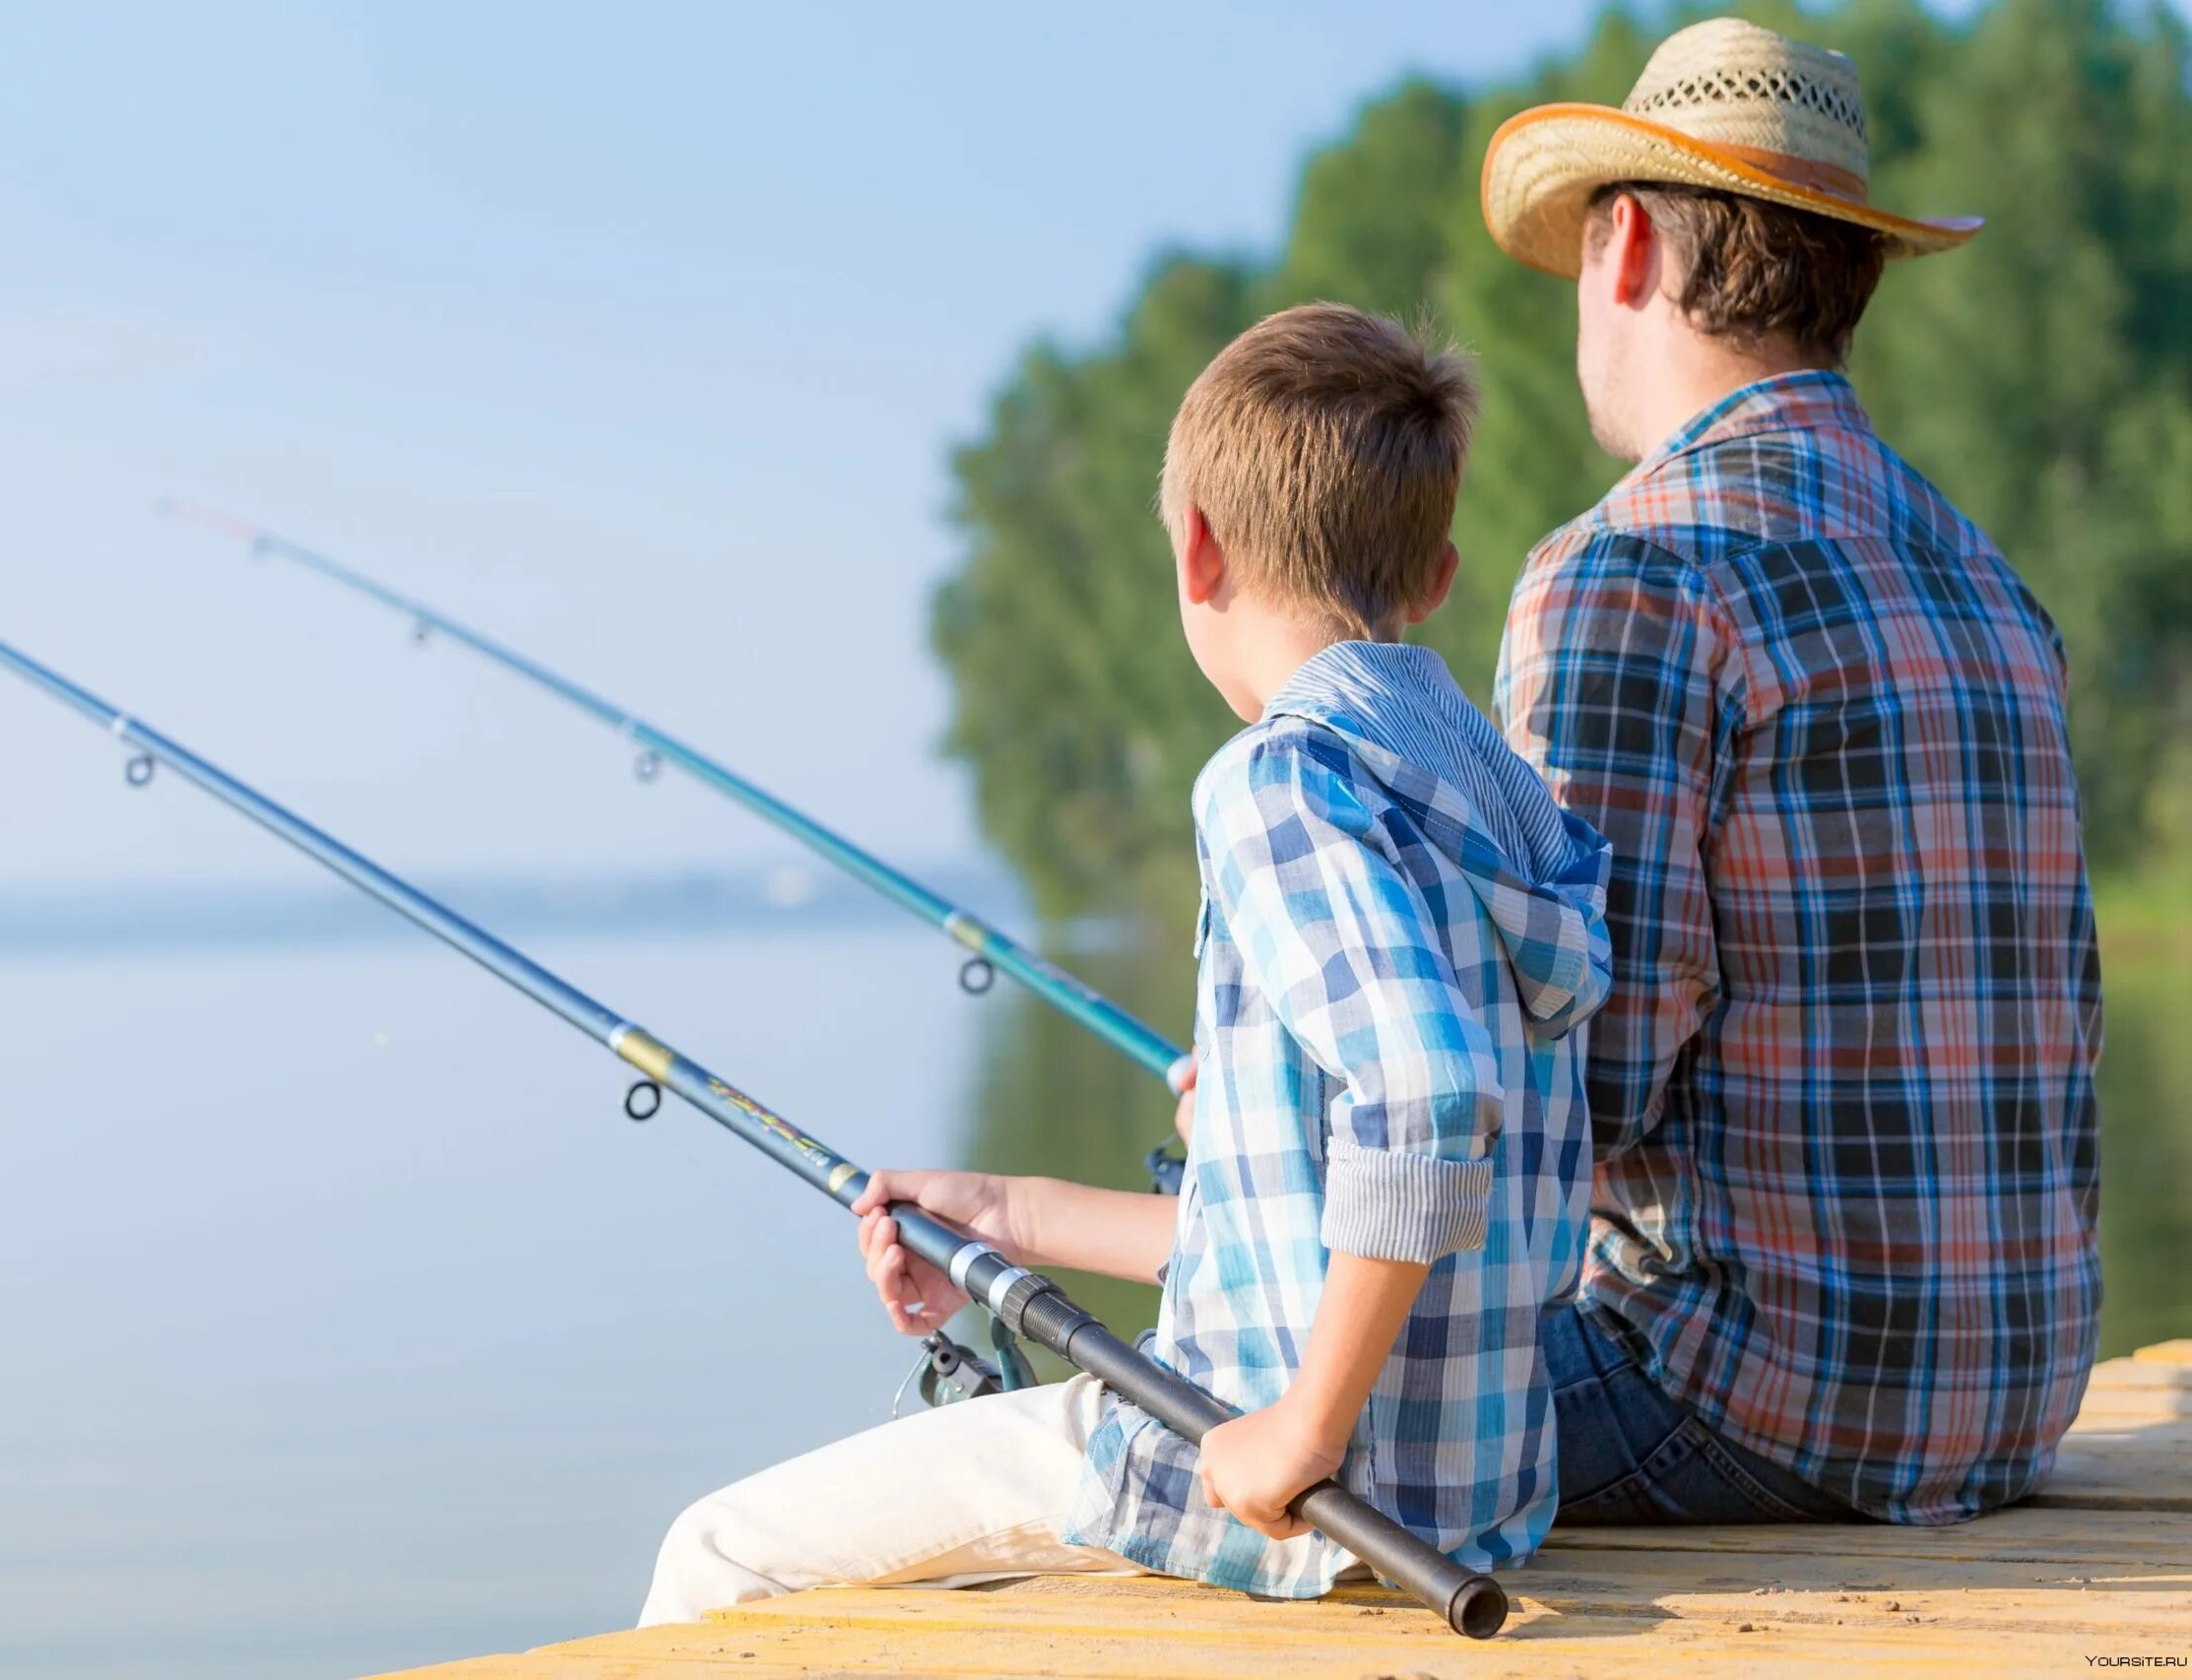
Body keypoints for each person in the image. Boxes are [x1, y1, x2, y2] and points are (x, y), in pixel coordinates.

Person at [637, 302, 1612, 1624]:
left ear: (1198, 548)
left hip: (1308, 1499)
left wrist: (1304, 1428)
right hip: (1481, 1493)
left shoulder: (1285, 782)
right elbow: (1383, 1196)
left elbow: (1431, 1097)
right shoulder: (1499, 799)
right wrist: (1012, 1214)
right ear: (1436, 577)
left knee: (718, 1551)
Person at [1481, 17, 2102, 1526]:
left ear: (1624, 243)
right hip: (2014, 1398)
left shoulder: (1632, 570)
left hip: (1737, 1392)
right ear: (1855, 272)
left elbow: (1588, 1079)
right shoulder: (1984, 578)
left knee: (1194, 1403)